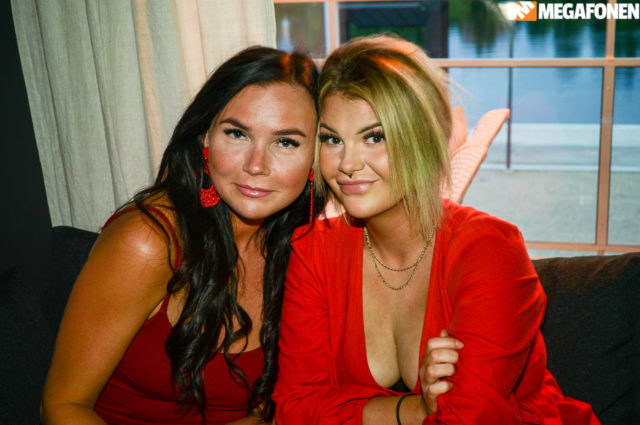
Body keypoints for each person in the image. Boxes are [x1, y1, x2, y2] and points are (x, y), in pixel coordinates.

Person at [273, 35, 600, 425]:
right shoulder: (313, 252)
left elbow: (469, 418)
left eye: (374, 137)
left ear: (424, 139)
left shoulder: (489, 250)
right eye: (332, 139)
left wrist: (356, 410)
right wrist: (415, 409)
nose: (347, 163)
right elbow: (294, 409)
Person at [40, 46, 319, 425]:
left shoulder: (309, 246)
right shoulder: (147, 241)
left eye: (286, 142)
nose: (256, 165)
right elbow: (61, 407)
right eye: (237, 133)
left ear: (315, 156)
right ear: (205, 137)